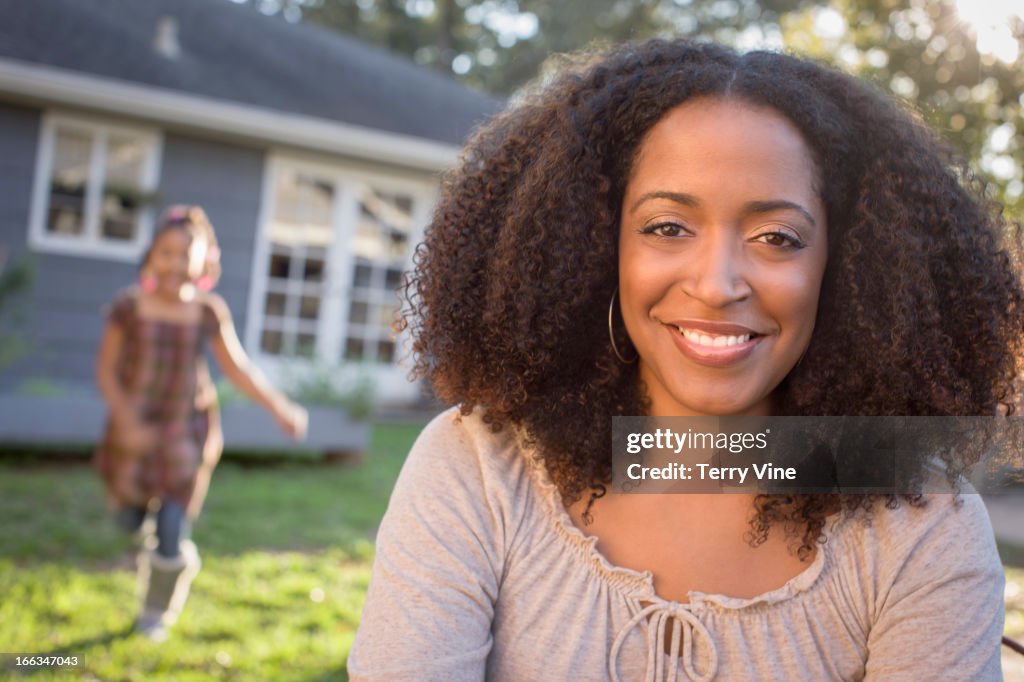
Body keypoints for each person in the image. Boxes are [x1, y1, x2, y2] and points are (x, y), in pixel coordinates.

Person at [349, 40, 1024, 680]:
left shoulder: (921, 526)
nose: (716, 283)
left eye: (776, 237)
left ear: (846, 269)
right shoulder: (479, 472)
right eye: (667, 227)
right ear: (592, 248)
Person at [94, 205, 307, 641]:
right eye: (165, 252)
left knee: (173, 524)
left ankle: (156, 612)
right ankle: (138, 521)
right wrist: (126, 420)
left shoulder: (207, 312)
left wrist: (280, 407)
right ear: (151, 255)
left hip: (183, 432)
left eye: (184, 253)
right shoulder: (128, 308)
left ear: (204, 258)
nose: (174, 262)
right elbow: (106, 371)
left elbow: (239, 369)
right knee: (129, 520)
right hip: (133, 431)